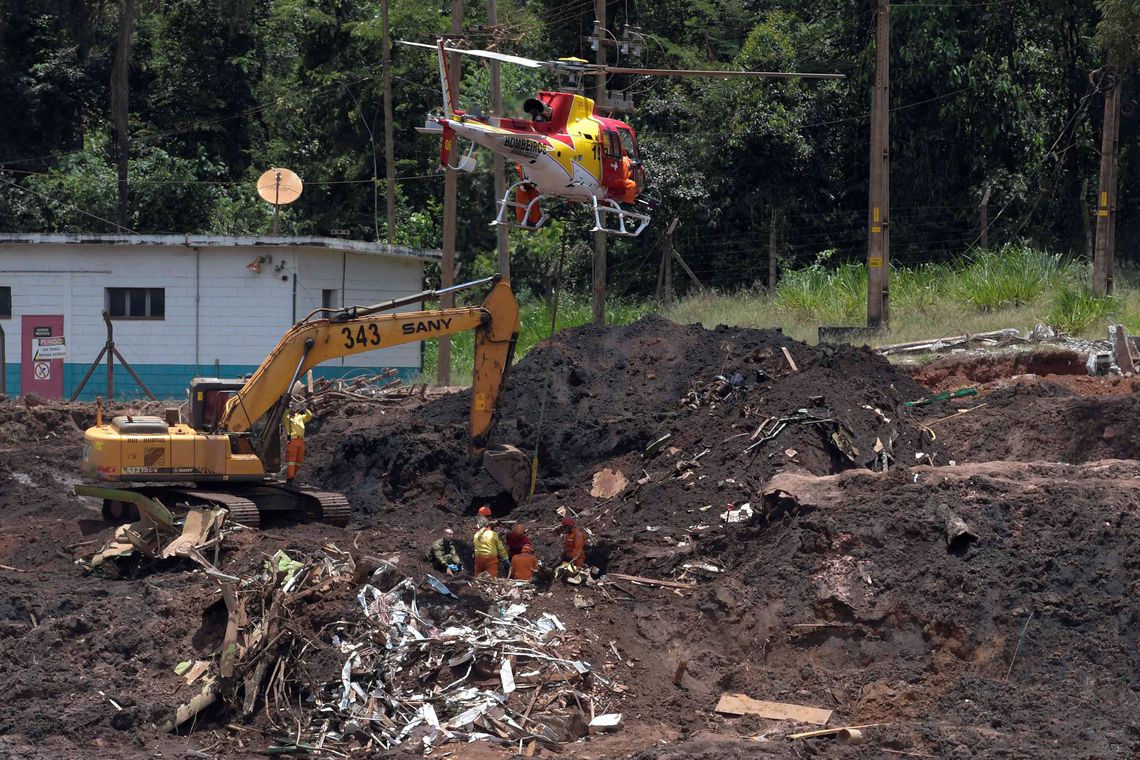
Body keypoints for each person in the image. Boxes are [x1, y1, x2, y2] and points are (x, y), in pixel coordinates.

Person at [284, 406, 314, 484]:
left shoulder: (299, 417)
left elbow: (309, 416)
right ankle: (291, 478)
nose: (293, 409)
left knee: (299, 460)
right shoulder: (287, 418)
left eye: (294, 407)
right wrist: (288, 410)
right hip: (293, 439)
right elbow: (284, 414)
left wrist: (305, 409)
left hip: (301, 440)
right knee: (291, 460)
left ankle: (293, 475)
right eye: (291, 408)